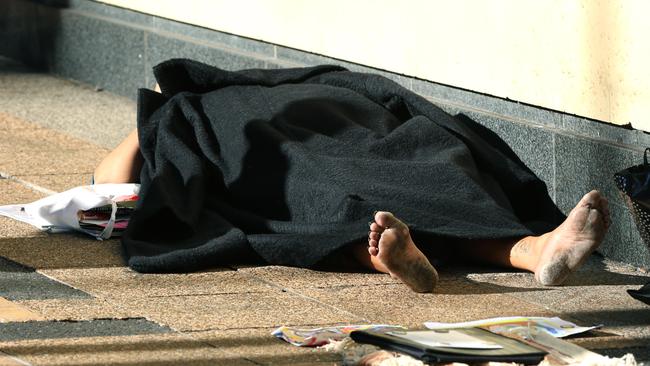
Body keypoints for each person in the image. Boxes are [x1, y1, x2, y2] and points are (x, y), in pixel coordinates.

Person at [95, 63, 610, 293]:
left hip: (335, 134)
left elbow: (108, 184)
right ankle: (529, 248)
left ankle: (525, 250)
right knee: (406, 175)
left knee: (332, 195)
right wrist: (162, 116)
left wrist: (153, 118)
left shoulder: (185, 108)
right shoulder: (194, 108)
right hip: (336, 135)